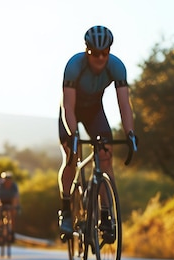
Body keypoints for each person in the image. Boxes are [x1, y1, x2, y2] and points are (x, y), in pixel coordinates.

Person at [57, 25, 138, 235]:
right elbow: (68, 107)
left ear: (109, 51)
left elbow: (124, 105)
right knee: (71, 157)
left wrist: (130, 134)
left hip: (94, 112)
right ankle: (66, 210)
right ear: (87, 51)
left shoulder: (117, 67)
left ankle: (105, 214)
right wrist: (73, 135)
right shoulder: (75, 65)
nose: (100, 58)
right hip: (72, 111)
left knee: (105, 158)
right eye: (95, 53)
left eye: (105, 53)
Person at [0, 171, 20, 238]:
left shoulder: (14, 186)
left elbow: (16, 197)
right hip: (1, 201)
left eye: (9, 179)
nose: (8, 181)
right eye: (6, 179)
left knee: (13, 214)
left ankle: (12, 232)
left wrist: (14, 207)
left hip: (10, 201)